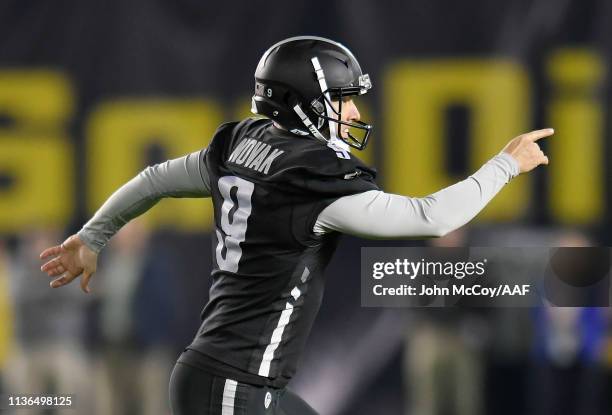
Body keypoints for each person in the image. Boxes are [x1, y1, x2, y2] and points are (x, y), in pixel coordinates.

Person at [39, 36, 553, 415]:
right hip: (235, 386)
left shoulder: (242, 145)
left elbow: (155, 179)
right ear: (304, 102)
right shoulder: (310, 179)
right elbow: (432, 216)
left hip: (234, 381)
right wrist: (505, 164)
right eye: (342, 98)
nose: (352, 111)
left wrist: (91, 236)